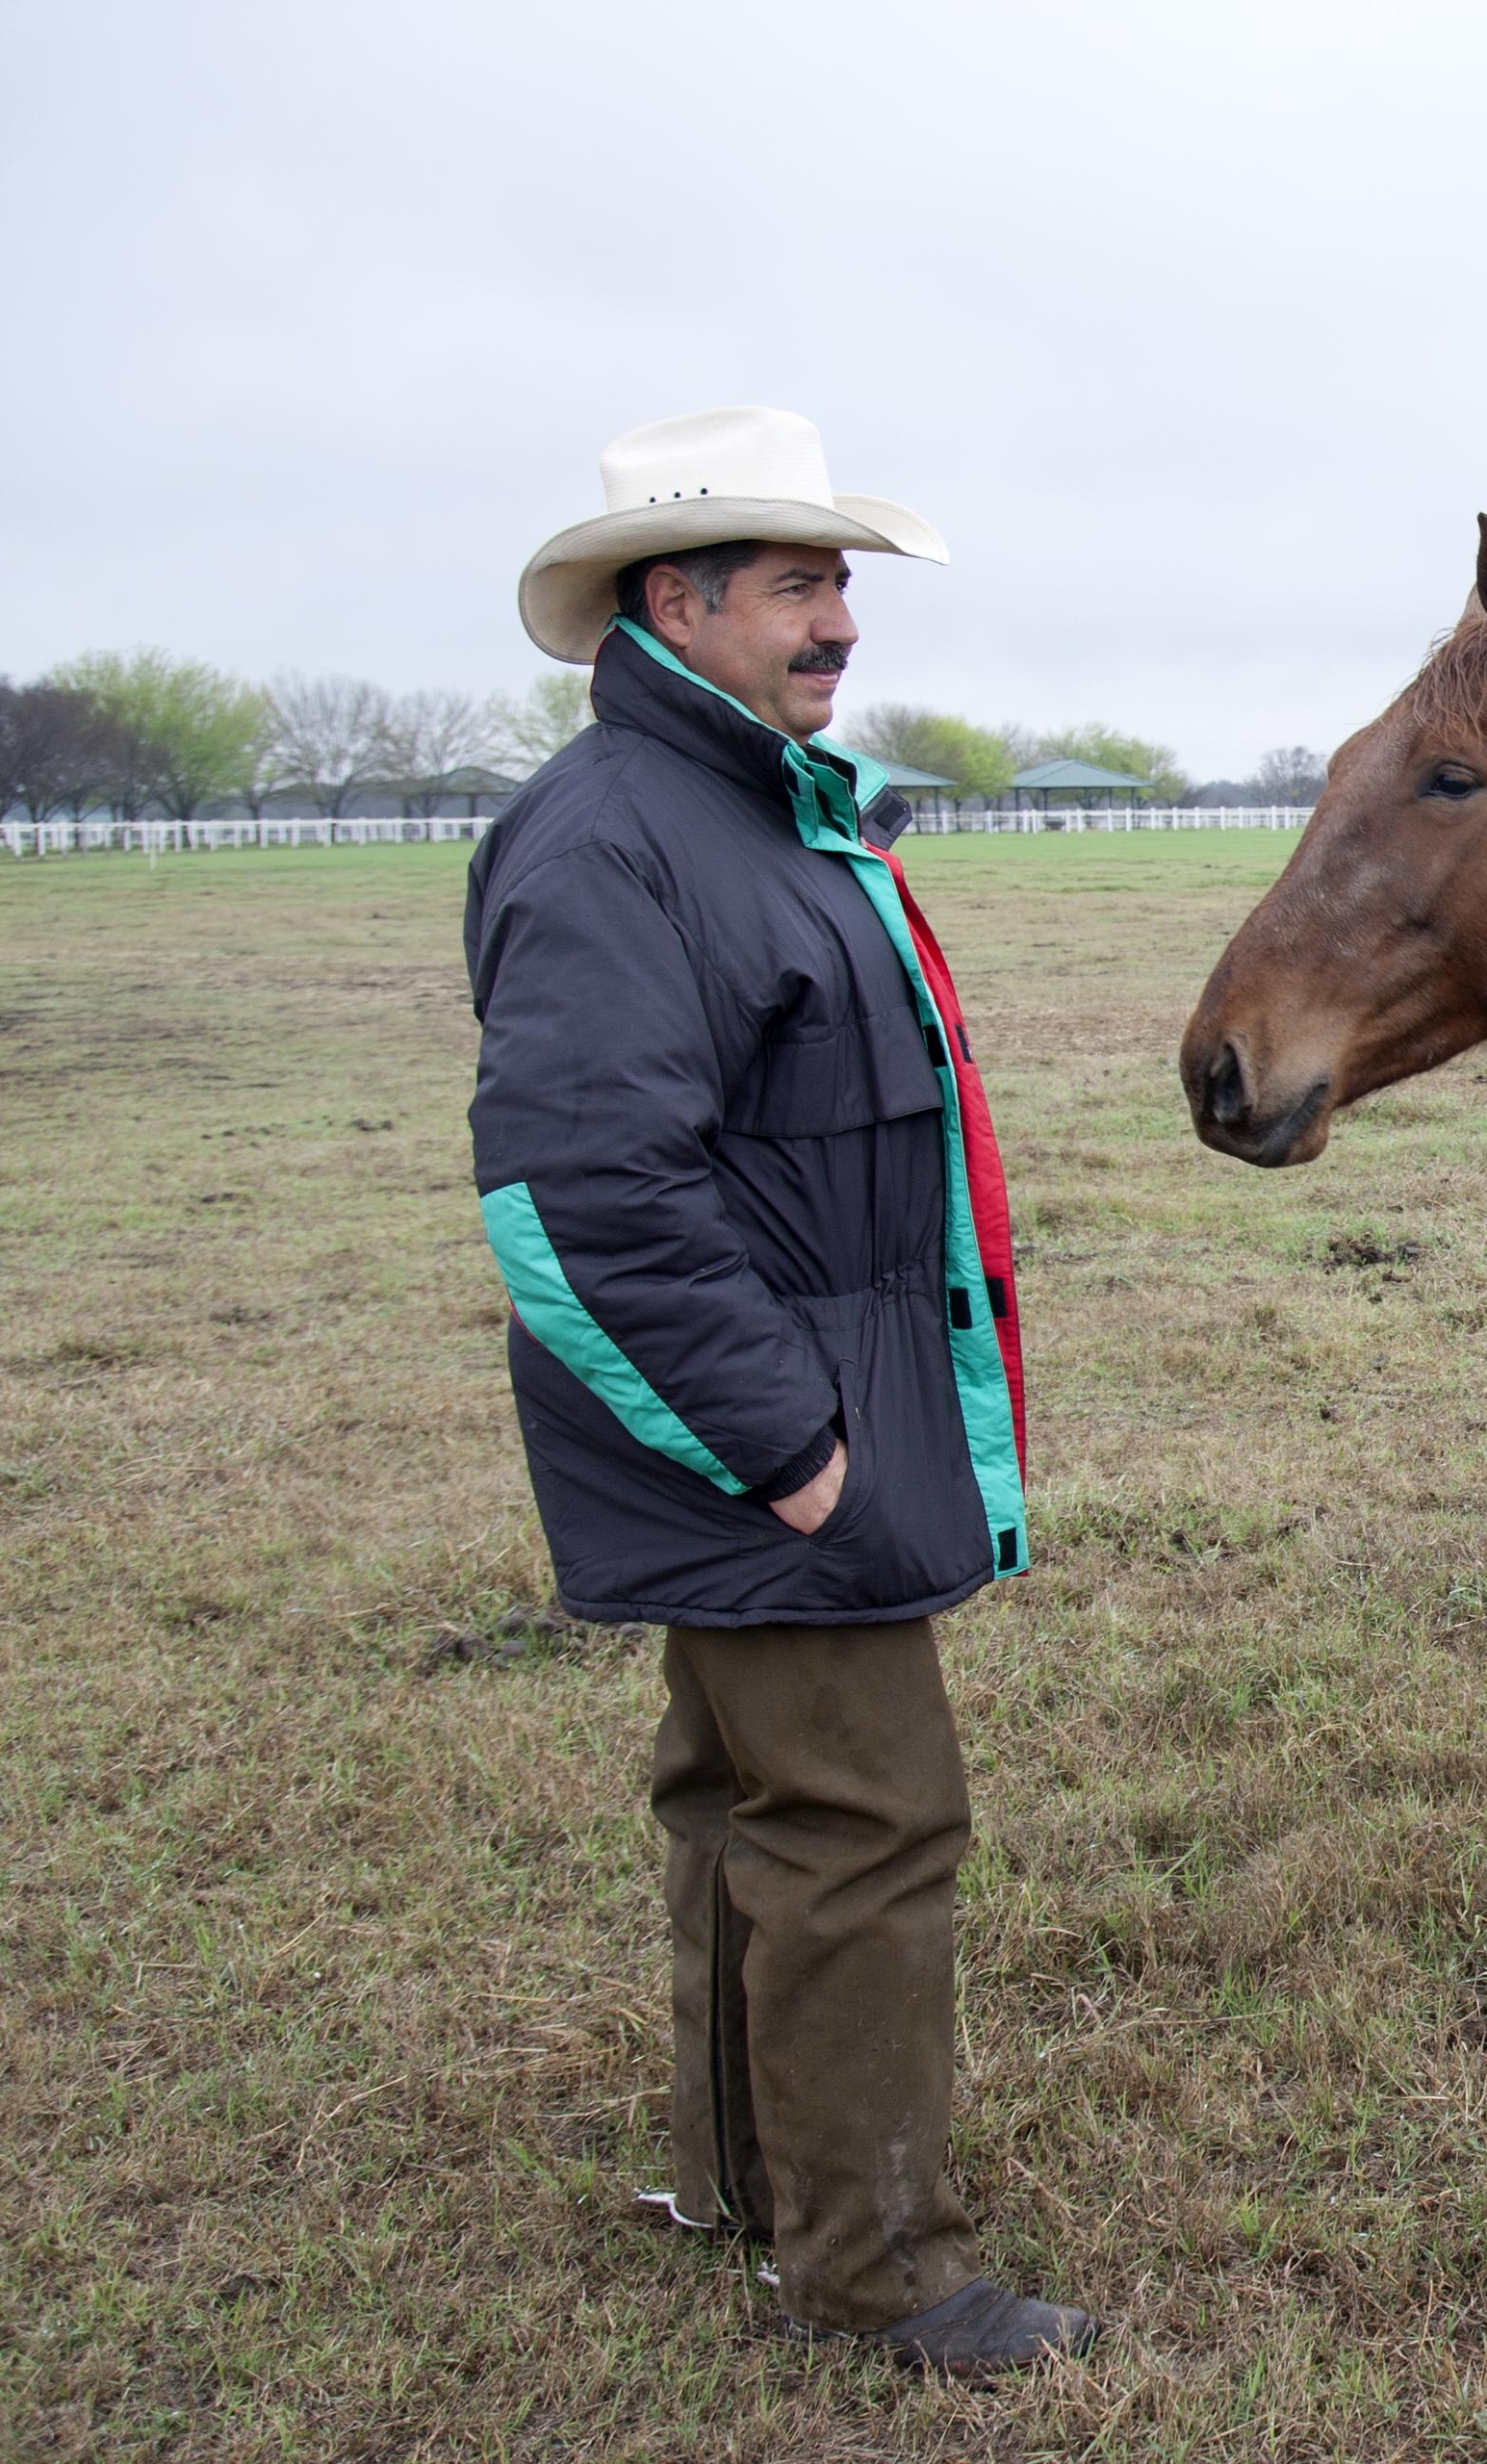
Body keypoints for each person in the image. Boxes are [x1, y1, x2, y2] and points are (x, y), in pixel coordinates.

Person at [468, 405, 1091, 2374]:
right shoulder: (614, 841)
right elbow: (578, 1199)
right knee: (867, 1817)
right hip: (758, 1438)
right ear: (681, 598)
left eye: (843, 583)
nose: (840, 623)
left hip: (798, 1414)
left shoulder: (761, 807)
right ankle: (882, 2264)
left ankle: (754, 2184)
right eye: (802, 583)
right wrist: (794, 1453)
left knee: (749, 1808)